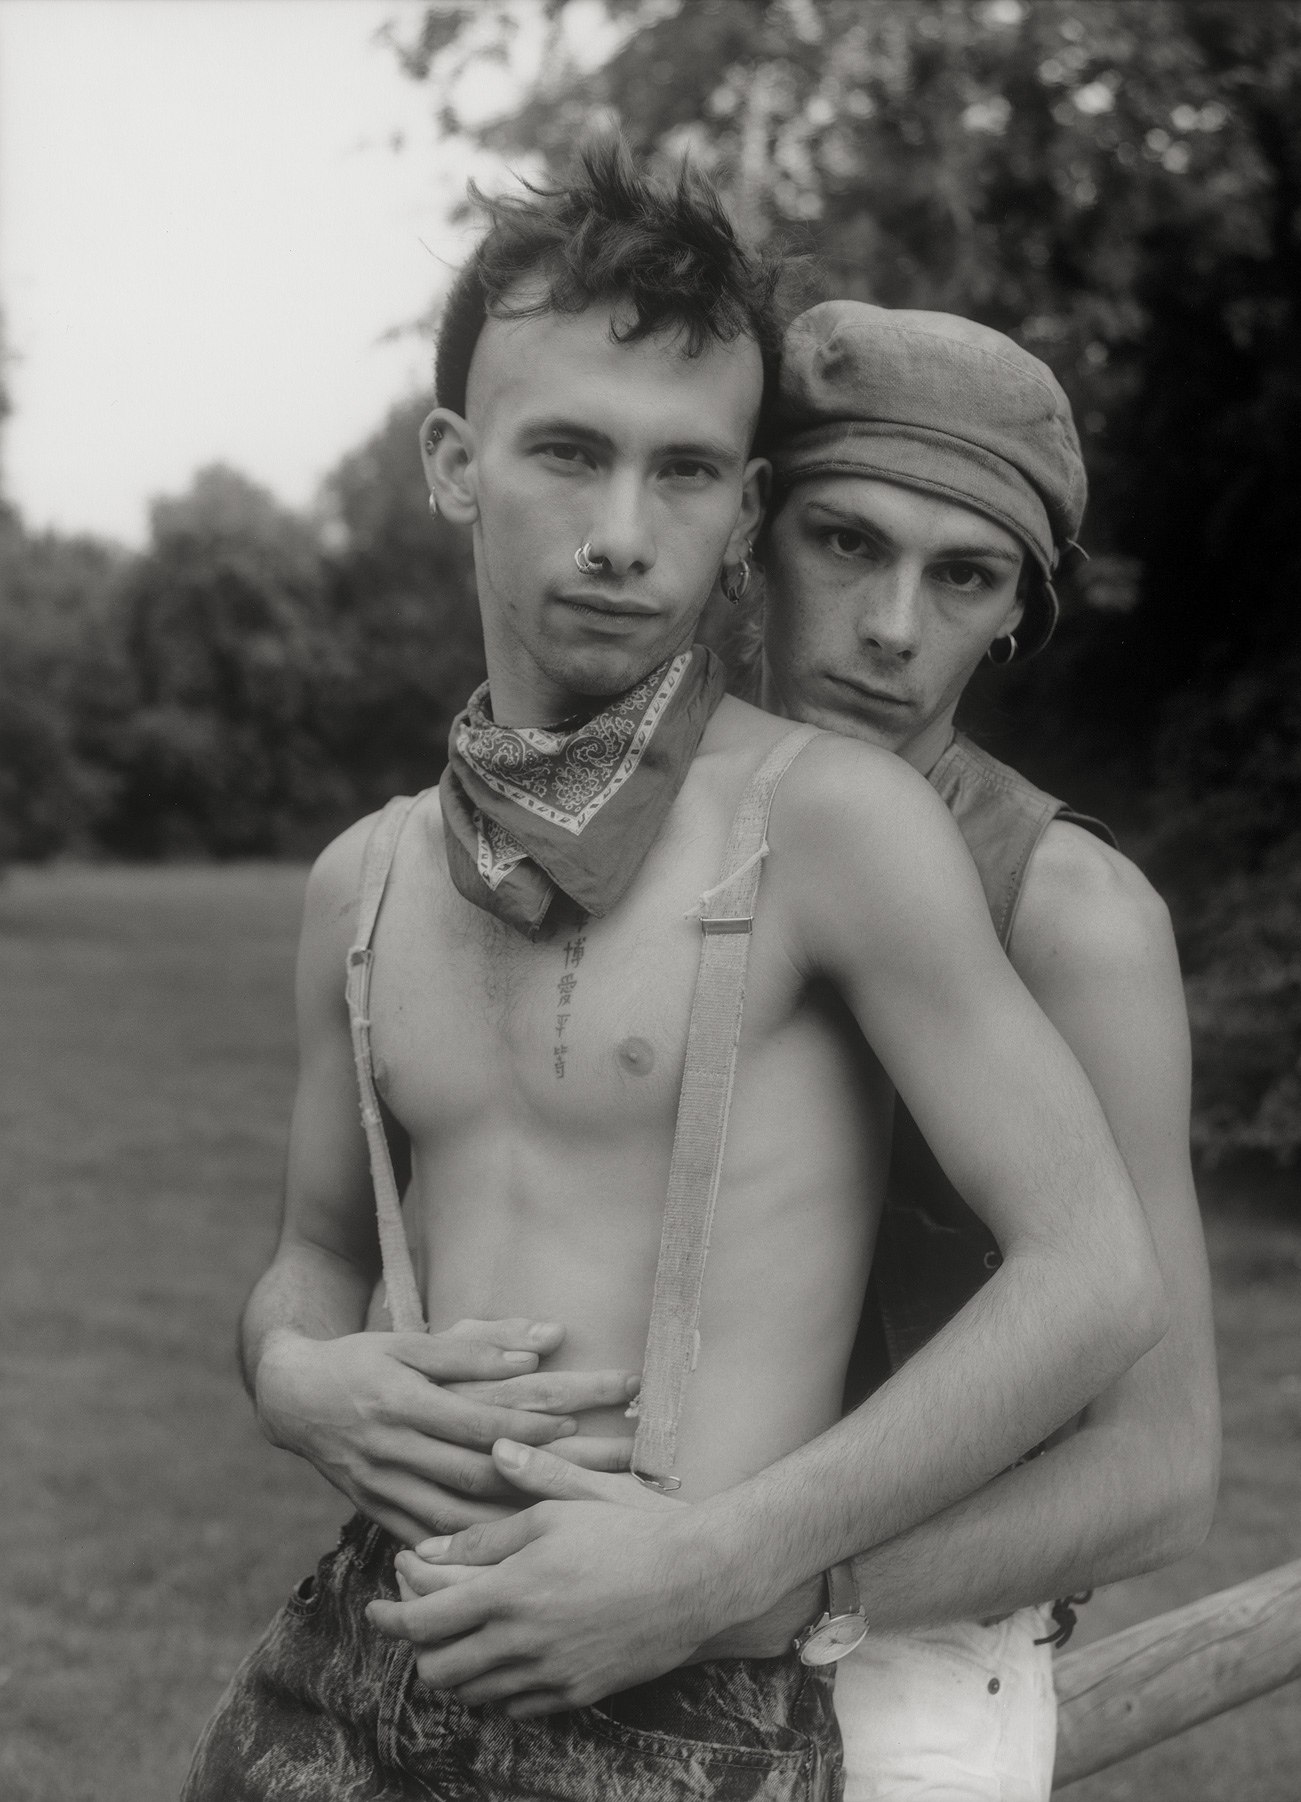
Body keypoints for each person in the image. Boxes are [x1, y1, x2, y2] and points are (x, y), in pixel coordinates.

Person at [182, 147, 1165, 1801]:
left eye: (687, 472)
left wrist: (731, 1564)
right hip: (366, 1642)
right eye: (570, 452)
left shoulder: (833, 825)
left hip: (675, 1682)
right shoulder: (365, 877)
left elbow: (1097, 1277)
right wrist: (296, 1375)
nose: (624, 533)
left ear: (740, 513)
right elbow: (315, 1254)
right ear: (454, 462)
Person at [393, 302, 1220, 1802]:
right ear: (751, 534)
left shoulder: (1070, 913)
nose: (894, 626)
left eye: (963, 576)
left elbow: (1160, 1468)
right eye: (847, 543)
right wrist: (303, 1373)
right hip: (543, 1618)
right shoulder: (608, 829)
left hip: (886, 1664)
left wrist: (756, 1587)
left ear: (1014, 614)